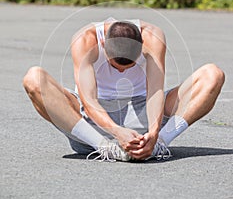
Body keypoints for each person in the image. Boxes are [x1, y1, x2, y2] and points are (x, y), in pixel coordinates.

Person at [23, 18, 225, 162]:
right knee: (34, 78)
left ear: (142, 47)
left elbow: (155, 92)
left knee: (212, 75)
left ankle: (159, 145)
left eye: (128, 67)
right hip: (94, 126)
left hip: (143, 114)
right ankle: (105, 148)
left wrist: (155, 134)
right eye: (114, 65)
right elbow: (88, 100)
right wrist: (116, 132)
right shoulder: (85, 40)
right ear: (103, 44)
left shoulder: (153, 37)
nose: (120, 71)